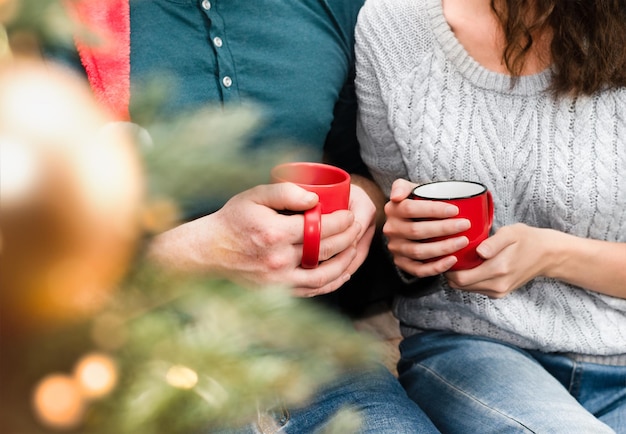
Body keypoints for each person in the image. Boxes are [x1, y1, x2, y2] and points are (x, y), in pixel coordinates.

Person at [64, 0, 439, 432]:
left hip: (316, 355)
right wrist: (188, 253)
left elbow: (365, 175)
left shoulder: (339, 10)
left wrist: (363, 207)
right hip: (144, 360)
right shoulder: (53, 23)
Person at [355, 0, 626, 432]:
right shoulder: (394, 26)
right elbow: (393, 213)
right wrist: (406, 246)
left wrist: (554, 255)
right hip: (474, 346)